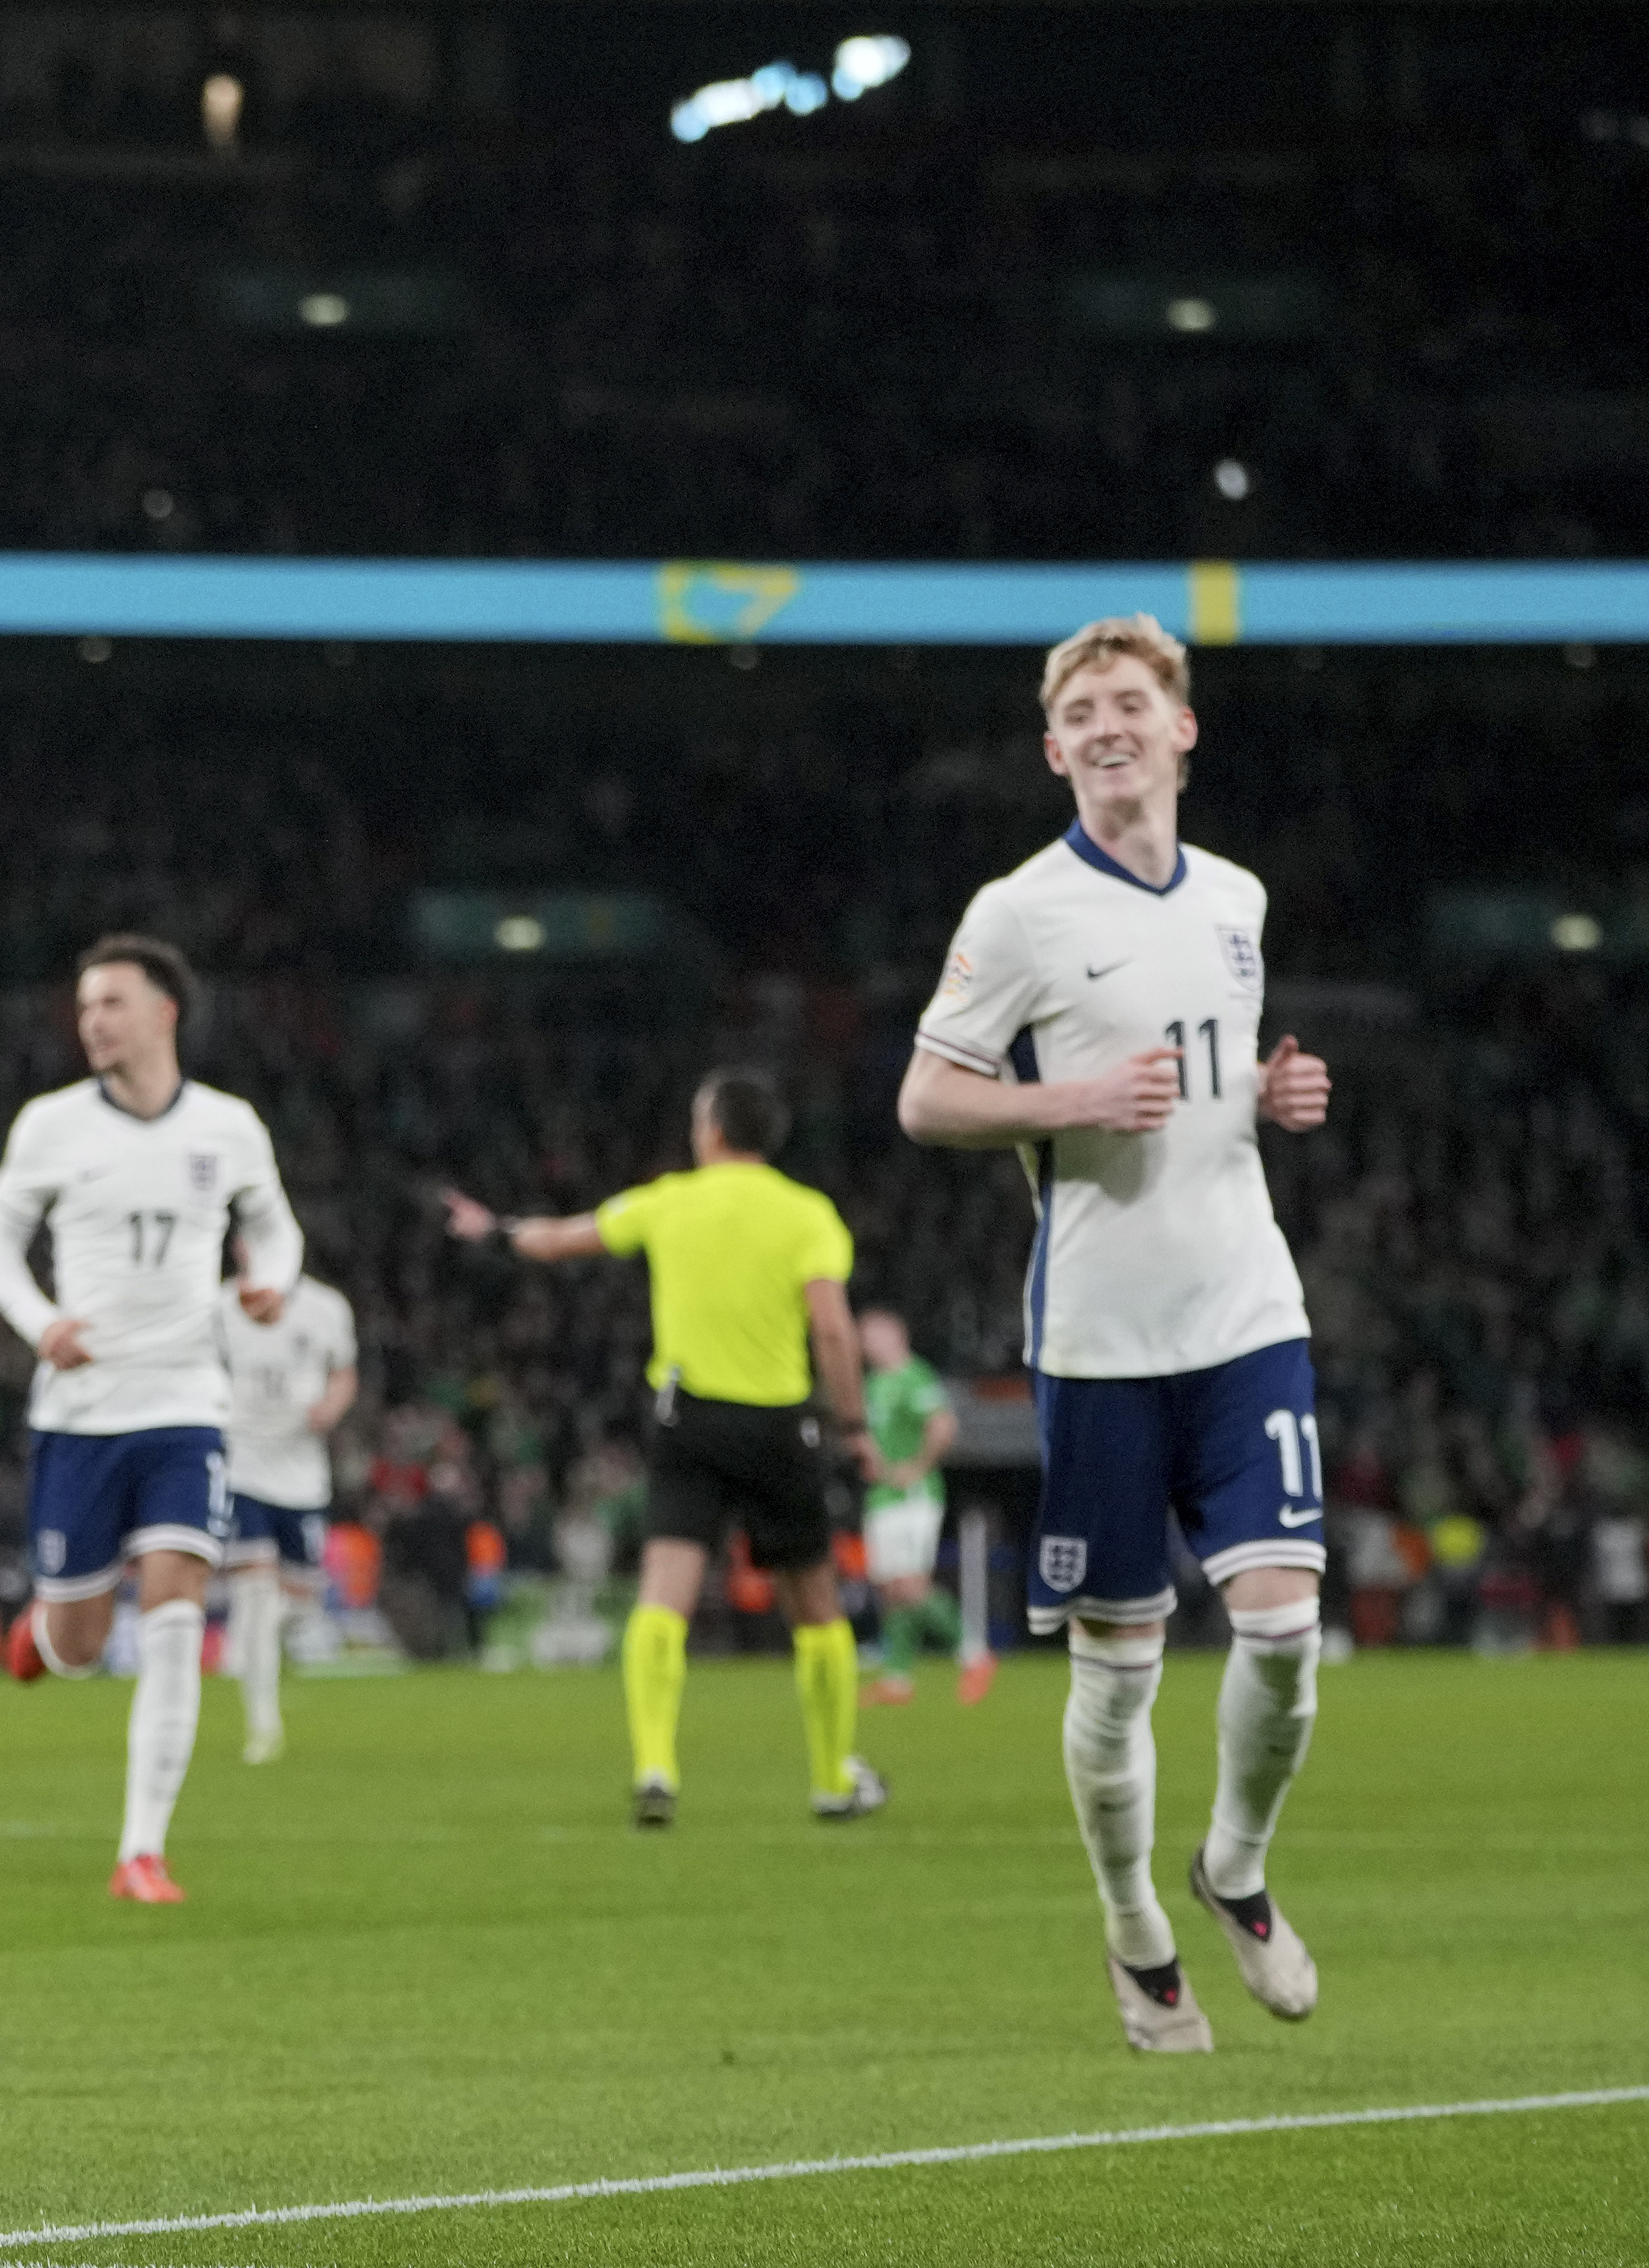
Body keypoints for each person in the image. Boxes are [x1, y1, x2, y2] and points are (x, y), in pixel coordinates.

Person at [894, 613, 1334, 2053]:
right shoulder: (1017, 913)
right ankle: (1135, 1924)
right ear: (1053, 748)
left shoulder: (1239, 901)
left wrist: (1266, 1102)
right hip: (1097, 1340)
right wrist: (1067, 1103)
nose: (1107, 724)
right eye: (1080, 708)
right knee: (1119, 1668)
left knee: (1283, 1634)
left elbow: (1208, 1073)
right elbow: (927, 1098)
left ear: (1181, 728)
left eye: (1131, 700)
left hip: (1245, 1311)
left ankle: (1237, 1869)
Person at [444, 1065, 884, 1831]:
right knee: (813, 1604)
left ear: (712, 1128)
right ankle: (829, 1779)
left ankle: (655, 1765)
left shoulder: (669, 1200)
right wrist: (852, 1425)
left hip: (690, 1420)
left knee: (662, 1596)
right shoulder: (807, 1213)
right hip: (780, 1423)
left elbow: (560, 1238)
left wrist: (493, 1229)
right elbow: (833, 1327)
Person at [0, 933, 302, 1903]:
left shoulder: (230, 1127)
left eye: (110, 1002)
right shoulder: (51, 1125)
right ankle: (45, 1628)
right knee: (76, 1648)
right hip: (81, 1408)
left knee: (172, 1612)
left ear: (165, 1011)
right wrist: (44, 1324)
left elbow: (275, 1225)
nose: (92, 1021)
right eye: (83, 1007)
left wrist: (270, 1282)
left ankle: (141, 1850)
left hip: (188, 1403)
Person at [219, 1258, 359, 1764]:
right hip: (241, 1466)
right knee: (254, 1595)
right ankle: (264, 1725)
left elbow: (344, 1374)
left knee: (303, 1600)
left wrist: (331, 1408)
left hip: (301, 1474)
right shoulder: (217, 1308)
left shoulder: (326, 1307)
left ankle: (254, 1640)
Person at [852, 1308, 966, 1707]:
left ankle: (973, 1651)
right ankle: (898, 1680)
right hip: (882, 1497)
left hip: (913, 1496)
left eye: (875, 1334)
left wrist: (916, 1467)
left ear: (898, 1334)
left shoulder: (913, 1375)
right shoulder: (873, 1384)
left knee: (910, 1585)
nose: (868, 1343)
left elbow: (943, 1425)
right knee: (888, 1589)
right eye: (863, 1336)